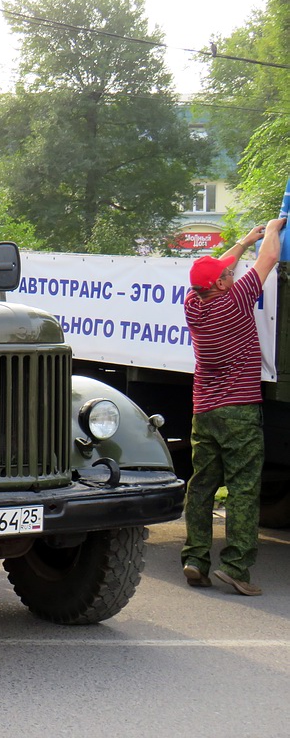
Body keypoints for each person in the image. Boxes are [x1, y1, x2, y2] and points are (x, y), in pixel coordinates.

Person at [181, 216, 286, 596]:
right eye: (225, 276)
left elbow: (219, 267)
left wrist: (243, 240)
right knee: (242, 488)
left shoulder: (193, 303)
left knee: (202, 485)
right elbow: (269, 259)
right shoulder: (236, 300)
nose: (229, 275)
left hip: (204, 411)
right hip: (239, 409)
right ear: (222, 285)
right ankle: (237, 567)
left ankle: (195, 559)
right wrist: (272, 230)